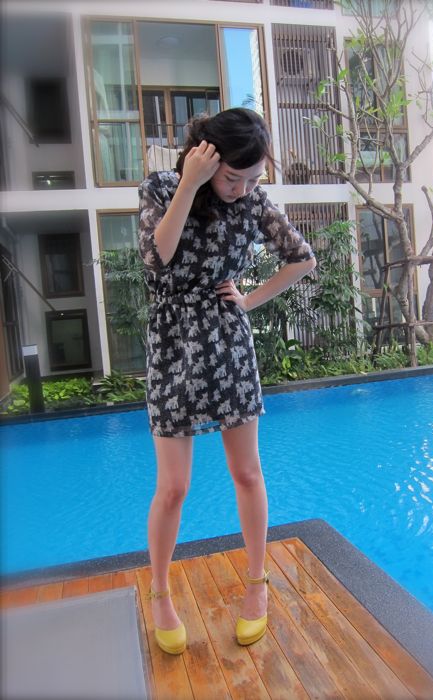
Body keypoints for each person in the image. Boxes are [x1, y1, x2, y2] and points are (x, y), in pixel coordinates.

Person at [138, 107, 316, 654]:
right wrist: (190, 184)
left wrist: (250, 300)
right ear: (207, 158)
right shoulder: (162, 187)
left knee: (247, 471)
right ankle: (160, 592)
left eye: (254, 178)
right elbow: (157, 258)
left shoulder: (254, 201)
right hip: (173, 344)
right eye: (234, 177)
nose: (243, 190)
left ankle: (257, 584)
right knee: (174, 486)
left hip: (228, 340)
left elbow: (301, 259)